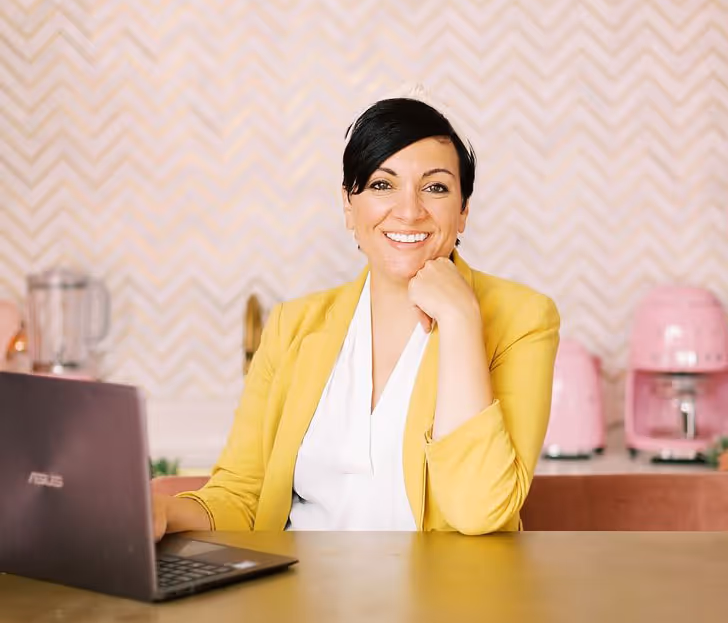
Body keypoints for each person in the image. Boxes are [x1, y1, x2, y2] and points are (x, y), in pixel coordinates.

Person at [152, 95, 560, 539]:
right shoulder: (294, 326)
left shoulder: (522, 319)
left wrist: (461, 319)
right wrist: (163, 514)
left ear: (463, 211)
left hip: (443, 606)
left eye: (436, 187)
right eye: (383, 185)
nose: (409, 210)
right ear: (349, 205)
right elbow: (241, 496)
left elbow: (481, 512)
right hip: (296, 600)